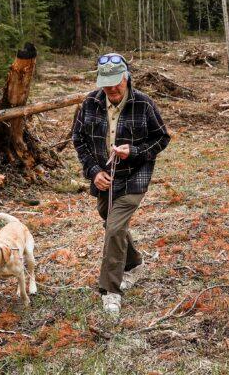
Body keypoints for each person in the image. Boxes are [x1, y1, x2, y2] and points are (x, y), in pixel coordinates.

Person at [70, 52, 170, 318]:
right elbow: (78, 138)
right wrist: (93, 172)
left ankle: (110, 291)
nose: (112, 88)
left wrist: (135, 151)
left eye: (117, 81)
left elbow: (162, 139)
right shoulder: (90, 103)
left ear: (126, 77)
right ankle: (134, 263)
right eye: (107, 82)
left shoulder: (144, 104)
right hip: (105, 177)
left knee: (114, 229)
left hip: (135, 176)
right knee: (108, 218)